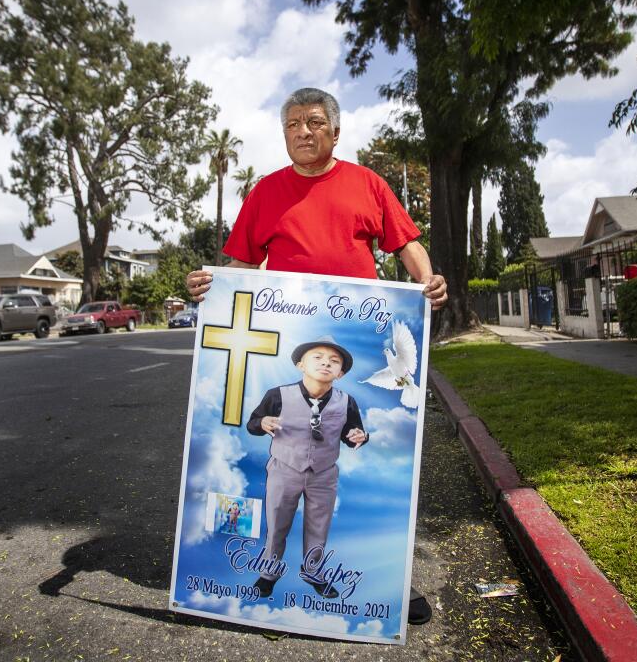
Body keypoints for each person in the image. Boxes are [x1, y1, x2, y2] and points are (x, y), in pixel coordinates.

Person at [187, 86, 446, 624]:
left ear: (334, 129)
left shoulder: (367, 184)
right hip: (292, 330)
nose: (303, 132)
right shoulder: (265, 192)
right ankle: (252, 572)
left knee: (381, 482)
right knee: (278, 502)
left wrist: (428, 280)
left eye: (313, 122)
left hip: (356, 331)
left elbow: (406, 244)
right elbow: (235, 267)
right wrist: (207, 286)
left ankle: (389, 587)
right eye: (292, 125)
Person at [246, 336, 367, 599]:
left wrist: (359, 436)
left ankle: (314, 572)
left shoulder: (346, 402)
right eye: (318, 357)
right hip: (284, 469)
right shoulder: (278, 395)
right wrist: (262, 422)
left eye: (334, 361)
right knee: (277, 523)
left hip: (324, 473)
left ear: (341, 373)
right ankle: (269, 573)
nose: (326, 363)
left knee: (318, 526)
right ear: (301, 364)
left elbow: (352, 433)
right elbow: (253, 423)